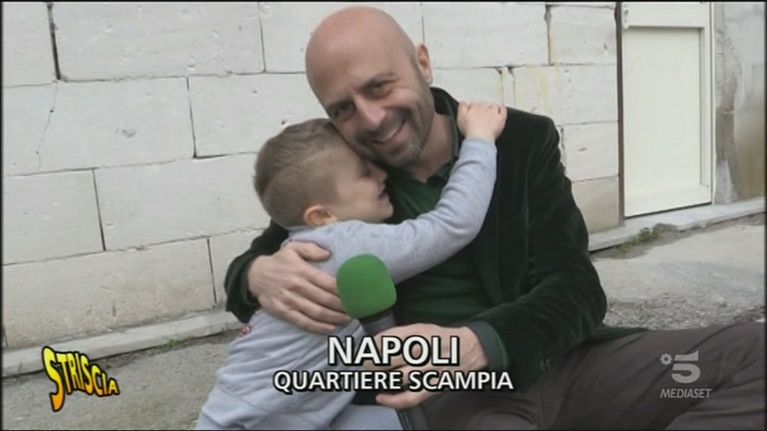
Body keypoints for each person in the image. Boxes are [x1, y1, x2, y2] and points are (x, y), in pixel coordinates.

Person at [224, 6, 765, 429]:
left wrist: (479, 342)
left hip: (558, 362)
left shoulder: (521, 140)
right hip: (455, 401)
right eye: (342, 108)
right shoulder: (345, 171)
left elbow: (576, 288)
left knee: (753, 357)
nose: (370, 119)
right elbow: (275, 248)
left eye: (379, 86)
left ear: (423, 63)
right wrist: (255, 273)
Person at [198, 102, 507, 429]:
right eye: (365, 172)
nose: (382, 174)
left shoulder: (305, 243)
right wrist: (480, 140)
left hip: (287, 412)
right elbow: (452, 226)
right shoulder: (343, 245)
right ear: (322, 216)